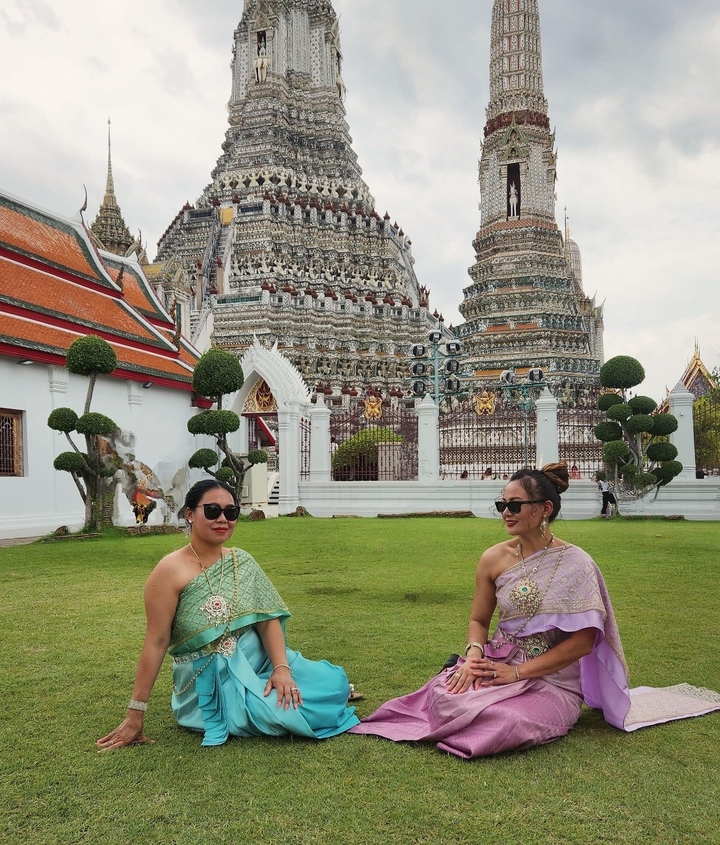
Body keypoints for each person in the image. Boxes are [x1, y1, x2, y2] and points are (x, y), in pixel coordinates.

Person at [349, 463, 720, 758]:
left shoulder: (577, 562)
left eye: (515, 505)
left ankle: (494, 720)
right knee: (445, 698)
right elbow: (479, 620)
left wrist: (518, 673)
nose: (506, 513)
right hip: (495, 661)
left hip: (554, 679)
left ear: (544, 509)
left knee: (506, 720)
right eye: (502, 505)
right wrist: (475, 653)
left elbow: (584, 641)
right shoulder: (493, 558)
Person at [97, 479, 359, 750]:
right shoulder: (169, 571)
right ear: (190, 514)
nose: (222, 518)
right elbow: (156, 642)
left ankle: (324, 690)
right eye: (212, 510)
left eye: (231, 512)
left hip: (259, 662)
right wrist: (135, 714)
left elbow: (267, 618)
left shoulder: (241, 561)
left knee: (335, 684)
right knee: (292, 712)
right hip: (210, 682)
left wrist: (281, 670)